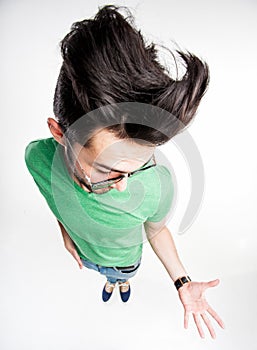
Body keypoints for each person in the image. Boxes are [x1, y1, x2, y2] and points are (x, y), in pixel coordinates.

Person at [24, 4, 225, 339]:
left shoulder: (158, 185)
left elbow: (156, 230)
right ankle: (108, 278)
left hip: (127, 257)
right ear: (60, 135)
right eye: (108, 170)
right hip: (86, 256)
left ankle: (121, 280)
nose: (123, 187)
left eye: (140, 164)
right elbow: (51, 193)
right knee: (104, 272)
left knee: (121, 274)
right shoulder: (38, 158)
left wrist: (182, 281)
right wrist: (65, 230)